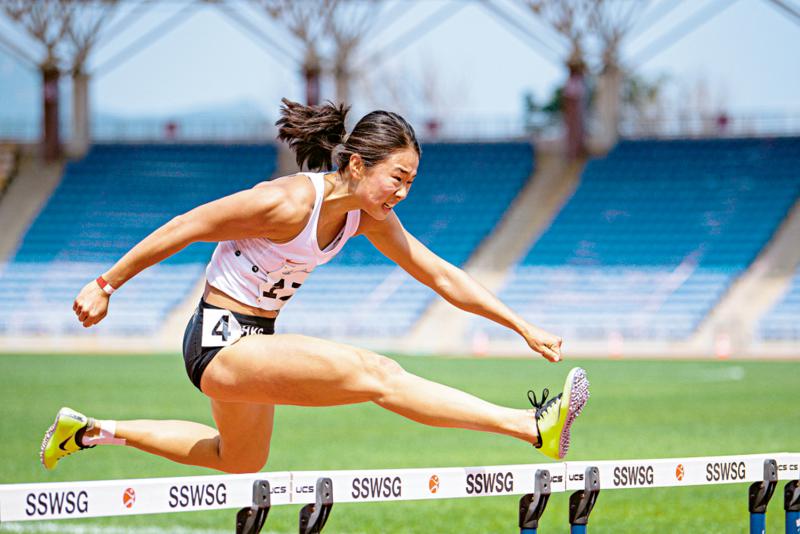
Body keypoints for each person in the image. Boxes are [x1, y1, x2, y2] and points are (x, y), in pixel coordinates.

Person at [41, 99, 589, 473]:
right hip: (219, 341)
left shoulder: (368, 216)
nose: (402, 193)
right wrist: (105, 283)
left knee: (239, 460)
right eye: (397, 178)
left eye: (411, 183)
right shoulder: (285, 202)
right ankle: (529, 426)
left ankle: (90, 431)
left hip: (254, 339)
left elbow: (440, 274)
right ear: (357, 163)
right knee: (377, 374)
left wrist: (520, 325)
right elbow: (187, 226)